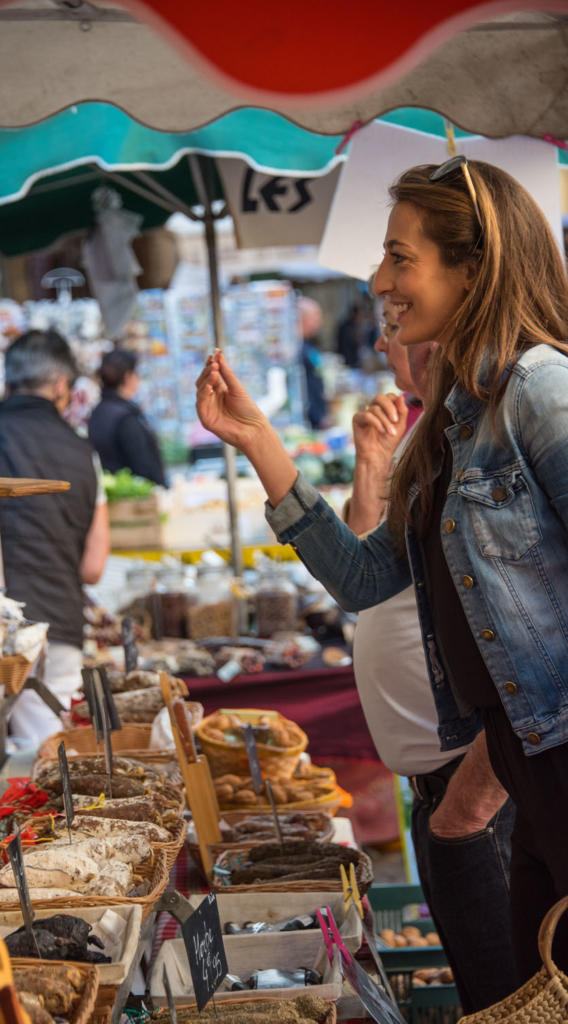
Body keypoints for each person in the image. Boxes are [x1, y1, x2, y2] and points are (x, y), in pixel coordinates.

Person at [196, 157, 568, 987]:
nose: (380, 279)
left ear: (473, 269)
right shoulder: (449, 426)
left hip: (546, 768)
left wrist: (481, 782)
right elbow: (366, 579)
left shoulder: (541, 392)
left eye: (401, 256)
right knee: (516, 1003)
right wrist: (260, 442)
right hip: (522, 772)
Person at [345, 300, 517, 1013]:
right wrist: (371, 462)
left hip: (483, 787)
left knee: (518, 996)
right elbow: (364, 574)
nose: (391, 345)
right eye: (388, 330)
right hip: (446, 789)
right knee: (491, 995)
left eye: (401, 323)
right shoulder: (427, 437)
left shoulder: (497, 434)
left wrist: (472, 802)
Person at [0, 329, 110, 742]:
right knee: (48, 758)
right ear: (60, 385)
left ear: (8, 381)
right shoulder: (84, 452)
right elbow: (92, 567)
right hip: (57, 629)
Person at [88, 349, 167, 486]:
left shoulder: (98, 412)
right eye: (136, 373)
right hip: (136, 501)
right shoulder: (125, 417)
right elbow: (144, 468)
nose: (138, 378)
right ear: (128, 376)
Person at [298, 297, 328, 430]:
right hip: (310, 418)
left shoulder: (308, 344)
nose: (319, 323)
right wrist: (317, 416)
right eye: (316, 318)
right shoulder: (296, 348)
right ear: (302, 319)